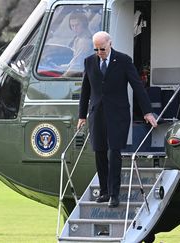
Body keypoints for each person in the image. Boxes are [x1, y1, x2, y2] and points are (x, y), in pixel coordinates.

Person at [77, 31, 157, 208]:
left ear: (110, 44)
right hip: (97, 114)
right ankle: (104, 191)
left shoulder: (123, 60)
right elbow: (85, 90)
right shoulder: (89, 61)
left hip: (118, 114)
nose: (99, 52)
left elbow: (137, 86)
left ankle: (114, 194)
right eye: (96, 49)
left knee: (114, 152)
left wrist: (147, 112)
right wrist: (82, 115)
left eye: (102, 49)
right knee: (99, 151)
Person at [63, 11, 93, 77]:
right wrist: (60, 67)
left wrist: (61, 78)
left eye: (77, 25)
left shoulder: (85, 41)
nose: (74, 29)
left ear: (84, 24)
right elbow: (74, 61)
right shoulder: (78, 38)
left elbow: (76, 66)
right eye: (72, 26)